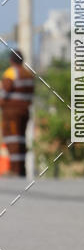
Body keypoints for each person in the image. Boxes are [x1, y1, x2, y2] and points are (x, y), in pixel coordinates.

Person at [0, 48, 34, 177]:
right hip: (25, 112)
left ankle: (15, 170)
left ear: (11, 60)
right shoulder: (28, 74)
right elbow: (30, 95)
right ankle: (21, 169)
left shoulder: (11, 73)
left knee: (12, 139)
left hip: (11, 113)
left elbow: (4, 94)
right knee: (21, 139)